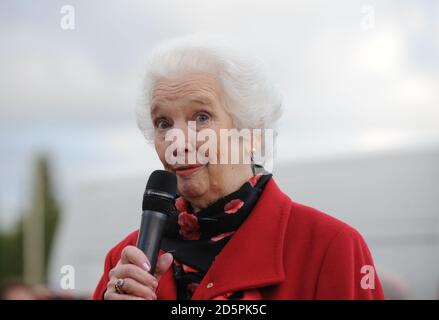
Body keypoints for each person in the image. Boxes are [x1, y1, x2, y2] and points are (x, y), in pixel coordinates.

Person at [93, 35, 384, 300]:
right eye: (163, 123)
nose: (176, 142)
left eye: (202, 117)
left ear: (252, 131)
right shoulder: (123, 263)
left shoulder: (330, 249)